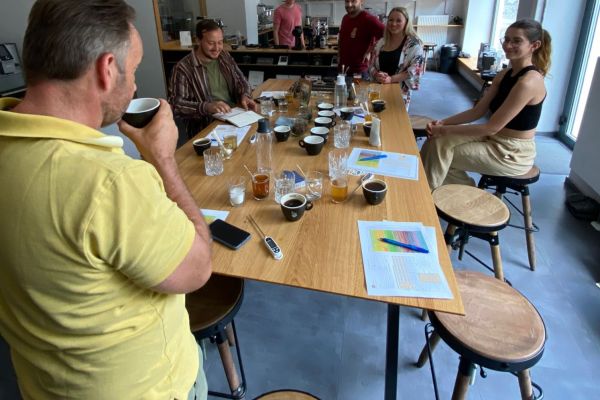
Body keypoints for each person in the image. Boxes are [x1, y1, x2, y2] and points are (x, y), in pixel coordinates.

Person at [0, 1, 213, 399]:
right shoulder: (110, 182)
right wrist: (162, 159)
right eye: (133, 70)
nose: (134, 87)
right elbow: (198, 268)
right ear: (107, 68)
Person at [420, 19, 552, 190]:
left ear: (534, 45)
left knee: (438, 153)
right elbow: (477, 112)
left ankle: (434, 196)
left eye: (516, 41)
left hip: (512, 152)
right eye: (506, 39)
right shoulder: (504, 74)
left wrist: (444, 130)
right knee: (436, 142)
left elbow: (491, 127)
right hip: (494, 139)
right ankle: (460, 195)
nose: (508, 45)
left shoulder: (529, 82)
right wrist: (443, 123)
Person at [168, 19, 257, 138]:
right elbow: (176, 106)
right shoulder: (183, 68)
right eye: (211, 43)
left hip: (237, 117)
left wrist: (245, 95)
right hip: (208, 128)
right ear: (198, 40)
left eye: (220, 42)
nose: (217, 48)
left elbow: (242, 80)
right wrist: (207, 107)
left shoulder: (224, 56)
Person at [368, 7, 424, 110]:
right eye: (391, 20)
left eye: (398, 21)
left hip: (399, 95)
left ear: (406, 22)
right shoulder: (381, 42)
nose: (393, 24)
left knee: (395, 119)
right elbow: (371, 65)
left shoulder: (413, 45)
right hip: (378, 92)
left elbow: (415, 71)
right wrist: (376, 75)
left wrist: (391, 79)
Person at [338, 0, 385, 77]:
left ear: (361, 1)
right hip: (343, 69)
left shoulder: (369, 19)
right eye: (347, 1)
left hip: (359, 72)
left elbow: (388, 36)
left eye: (353, 1)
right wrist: (339, 56)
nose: (349, 4)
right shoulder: (345, 18)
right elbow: (341, 39)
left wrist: (372, 48)